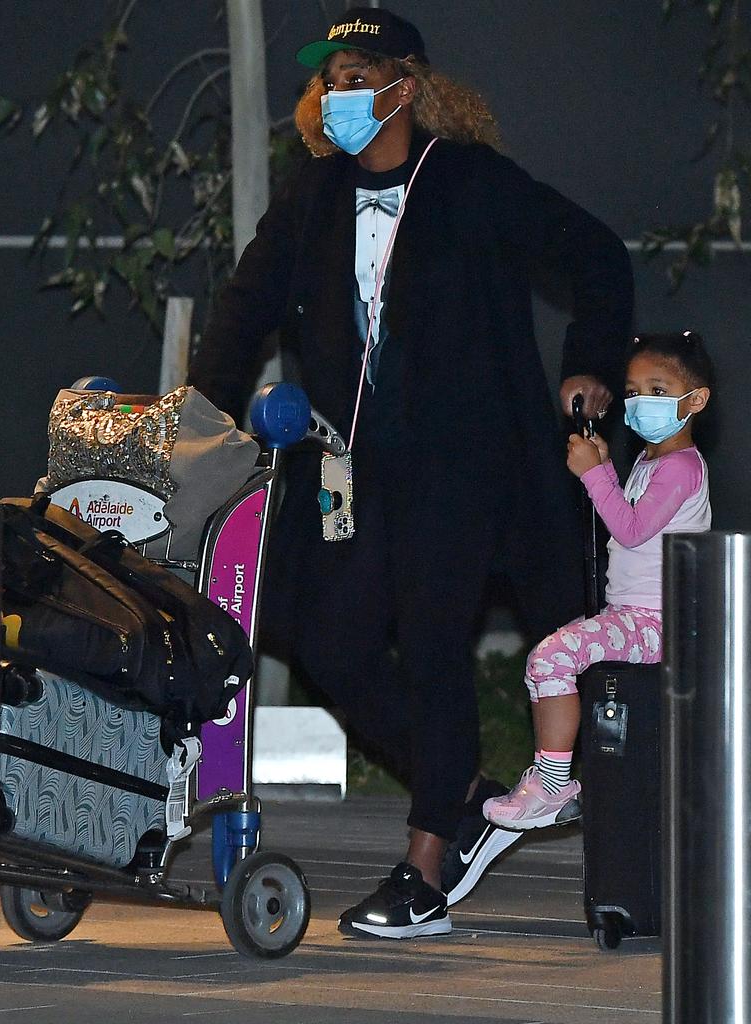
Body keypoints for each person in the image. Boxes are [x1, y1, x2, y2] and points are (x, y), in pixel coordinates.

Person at [188, 7, 634, 939]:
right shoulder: (313, 195)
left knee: (434, 637)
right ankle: (461, 789)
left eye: (359, 74)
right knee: (329, 641)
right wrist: (196, 416)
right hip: (350, 468)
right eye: (331, 78)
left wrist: (589, 360)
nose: (340, 93)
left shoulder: (469, 183)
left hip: (462, 463)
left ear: (408, 85)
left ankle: (428, 860)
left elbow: (596, 254)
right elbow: (242, 309)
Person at [483, 331, 713, 831]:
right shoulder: (654, 462)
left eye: (657, 390)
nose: (639, 402)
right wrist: (605, 466)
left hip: (658, 621)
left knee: (551, 658)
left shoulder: (679, 469)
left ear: (694, 401)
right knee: (543, 664)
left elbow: (629, 529)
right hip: (630, 614)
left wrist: (595, 475)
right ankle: (550, 779)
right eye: (632, 391)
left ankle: (552, 785)